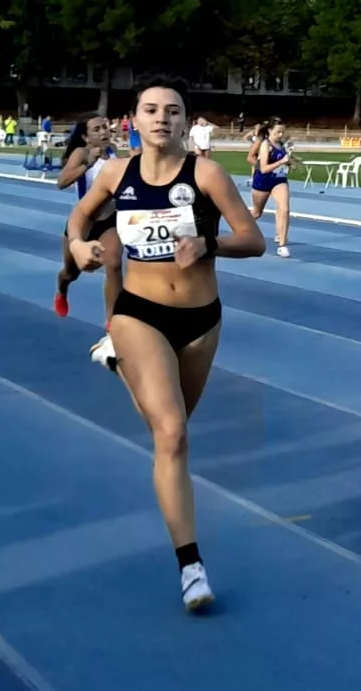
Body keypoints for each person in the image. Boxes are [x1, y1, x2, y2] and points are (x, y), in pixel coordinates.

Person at [65, 79, 265, 611]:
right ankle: (191, 566)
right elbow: (79, 216)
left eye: (172, 111)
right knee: (173, 437)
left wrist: (209, 242)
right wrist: (80, 243)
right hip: (139, 312)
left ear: (185, 121)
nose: (161, 118)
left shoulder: (206, 174)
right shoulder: (115, 173)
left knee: (168, 431)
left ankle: (120, 364)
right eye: (151, 110)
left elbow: (254, 239)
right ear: (135, 118)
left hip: (201, 320)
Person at [53, 116, 123, 337]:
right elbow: (61, 182)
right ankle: (62, 291)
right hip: (83, 222)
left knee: (113, 264)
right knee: (71, 273)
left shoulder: (112, 152)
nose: (104, 132)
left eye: (105, 127)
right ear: (85, 136)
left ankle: (112, 321)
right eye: (97, 129)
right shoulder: (80, 153)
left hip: (109, 219)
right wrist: (87, 164)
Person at [249, 120, 294, 257]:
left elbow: (283, 159)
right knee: (256, 213)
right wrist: (281, 162)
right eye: (277, 132)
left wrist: (290, 164)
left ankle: (282, 244)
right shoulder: (264, 145)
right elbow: (263, 168)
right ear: (269, 131)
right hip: (263, 181)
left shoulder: (281, 144)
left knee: (284, 210)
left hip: (279, 180)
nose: (280, 135)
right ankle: (240, 228)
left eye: (282, 132)